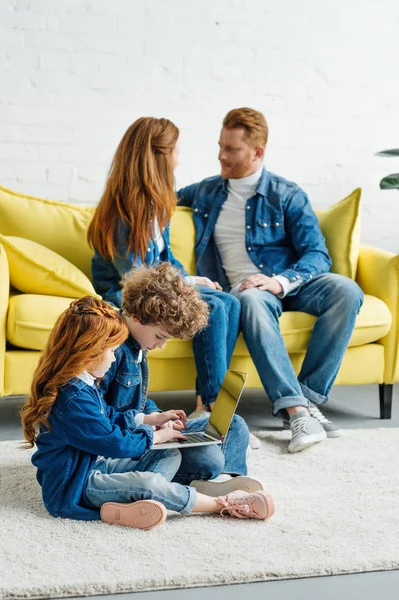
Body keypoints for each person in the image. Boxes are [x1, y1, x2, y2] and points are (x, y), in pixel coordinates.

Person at [178, 107, 364, 453]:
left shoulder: (286, 194)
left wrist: (279, 281)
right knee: (250, 298)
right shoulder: (205, 192)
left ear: (257, 152)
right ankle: (297, 410)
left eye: (231, 149)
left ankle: (306, 403)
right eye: (220, 146)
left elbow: (318, 255)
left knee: (347, 290)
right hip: (248, 293)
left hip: (288, 283)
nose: (221, 155)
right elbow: (154, 201)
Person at [20, 283, 274, 529]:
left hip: (94, 463)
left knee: (174, 452)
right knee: (149, 482)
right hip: (75, 485)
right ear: (89, 353)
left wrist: (148, 419)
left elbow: (106, 415)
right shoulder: (76, 395)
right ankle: (221, 503)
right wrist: (153, 436)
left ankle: (138, 498)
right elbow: (112, 441)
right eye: (109, 351)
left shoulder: (85, 384)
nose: (113, 355)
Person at [87, 117, 241, 411]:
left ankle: (206, 402)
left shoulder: (159, 204)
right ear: (160, 156)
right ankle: (212, 406)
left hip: (157, 287)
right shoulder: (124, 211)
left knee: (230, 302)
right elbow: (136, 279)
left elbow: (165, 259)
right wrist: (185, 286)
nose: (179, 161)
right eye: (177, 153)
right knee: (216, 307)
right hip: (129, 293)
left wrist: (193, 280)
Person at [100, 262, 260, 497]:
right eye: (160, 336)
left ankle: (226, 480)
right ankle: (212, 477)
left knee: (234, 424)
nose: (161, 346)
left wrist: (162, 417)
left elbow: (136, 399)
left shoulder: (139, 346)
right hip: (128, 442)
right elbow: (99, 414)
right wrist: (149, 424)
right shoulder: (110, 351)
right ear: (137, 315)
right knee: (210, 457)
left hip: (146, 431)